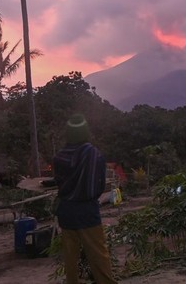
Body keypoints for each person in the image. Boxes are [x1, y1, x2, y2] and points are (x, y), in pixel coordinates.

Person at [53, 114, 117, 284]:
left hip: (66, 212)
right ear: (85, 132)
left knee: (70, 257)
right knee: (98, 254)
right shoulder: (93, 154)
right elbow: (99, 184)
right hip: (87, 211)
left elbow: (58, 182)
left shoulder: (59, 157)